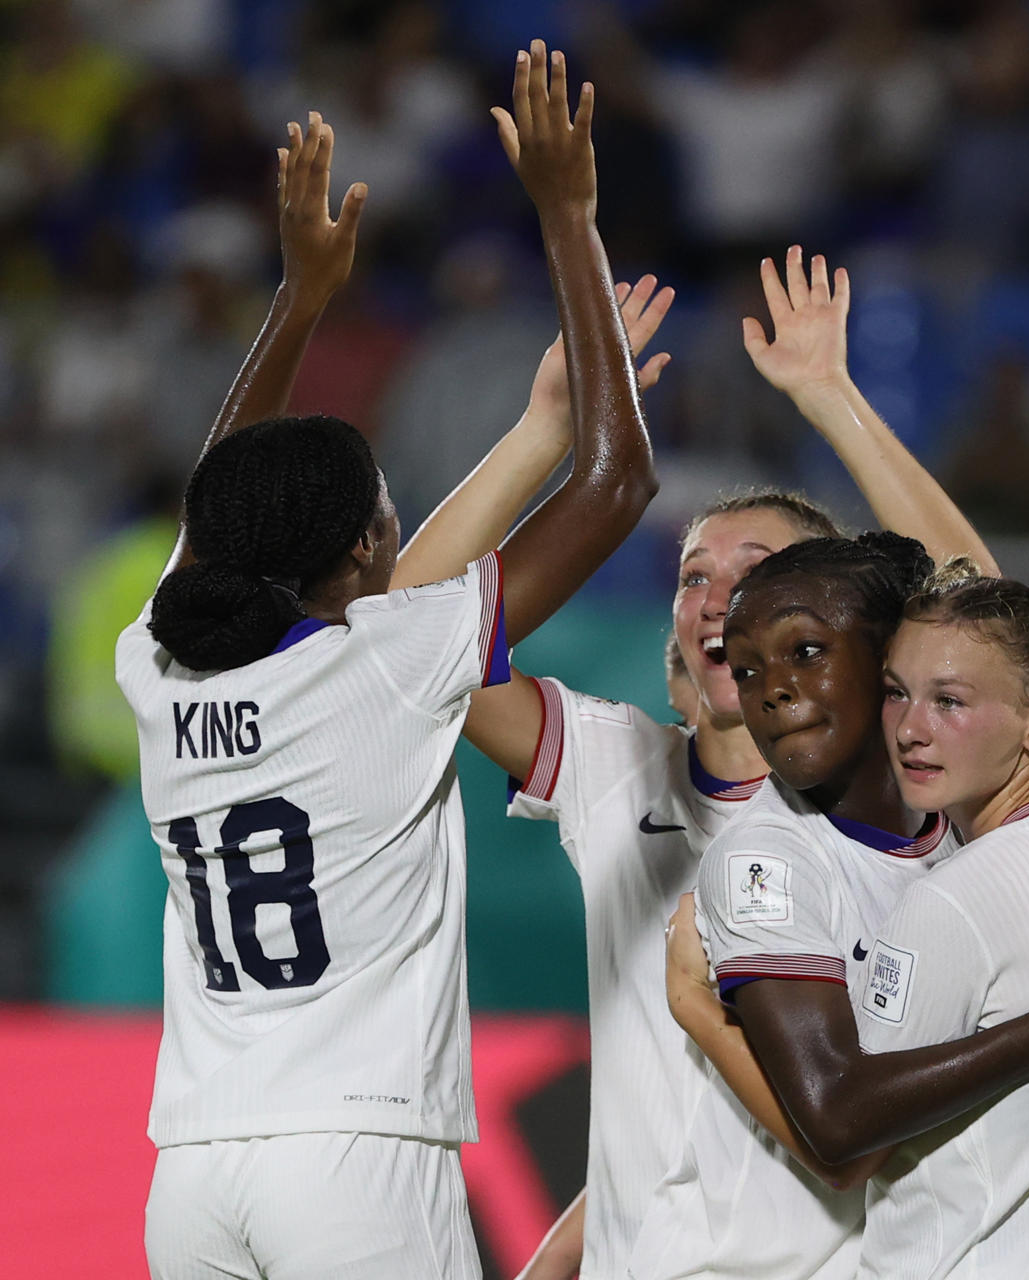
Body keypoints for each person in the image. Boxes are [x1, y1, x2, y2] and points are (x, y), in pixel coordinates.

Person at [124, 44, 658, 1279]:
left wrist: (297, 300)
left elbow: (225, 506)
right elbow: (620, 481)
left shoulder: (157, 662)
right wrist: (571, 220)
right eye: (386, 519)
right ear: (366, 554)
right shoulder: (389, 665)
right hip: (358, 1162)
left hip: (191, 1169)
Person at [393, 245, 1013, 1280]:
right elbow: (404, 636)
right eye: (694, 574)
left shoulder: (893, 791)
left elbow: (987, 615)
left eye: (760, 572)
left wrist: (830, 397)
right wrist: (543, 428)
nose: (719, 594)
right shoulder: (613, 765)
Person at [644, 537, 1029, 1280]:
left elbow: (848, 1130)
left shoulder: (963, 865)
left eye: (808, 652)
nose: (773, 690)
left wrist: (699, 1007)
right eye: (746, 670)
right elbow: (841, 1128)